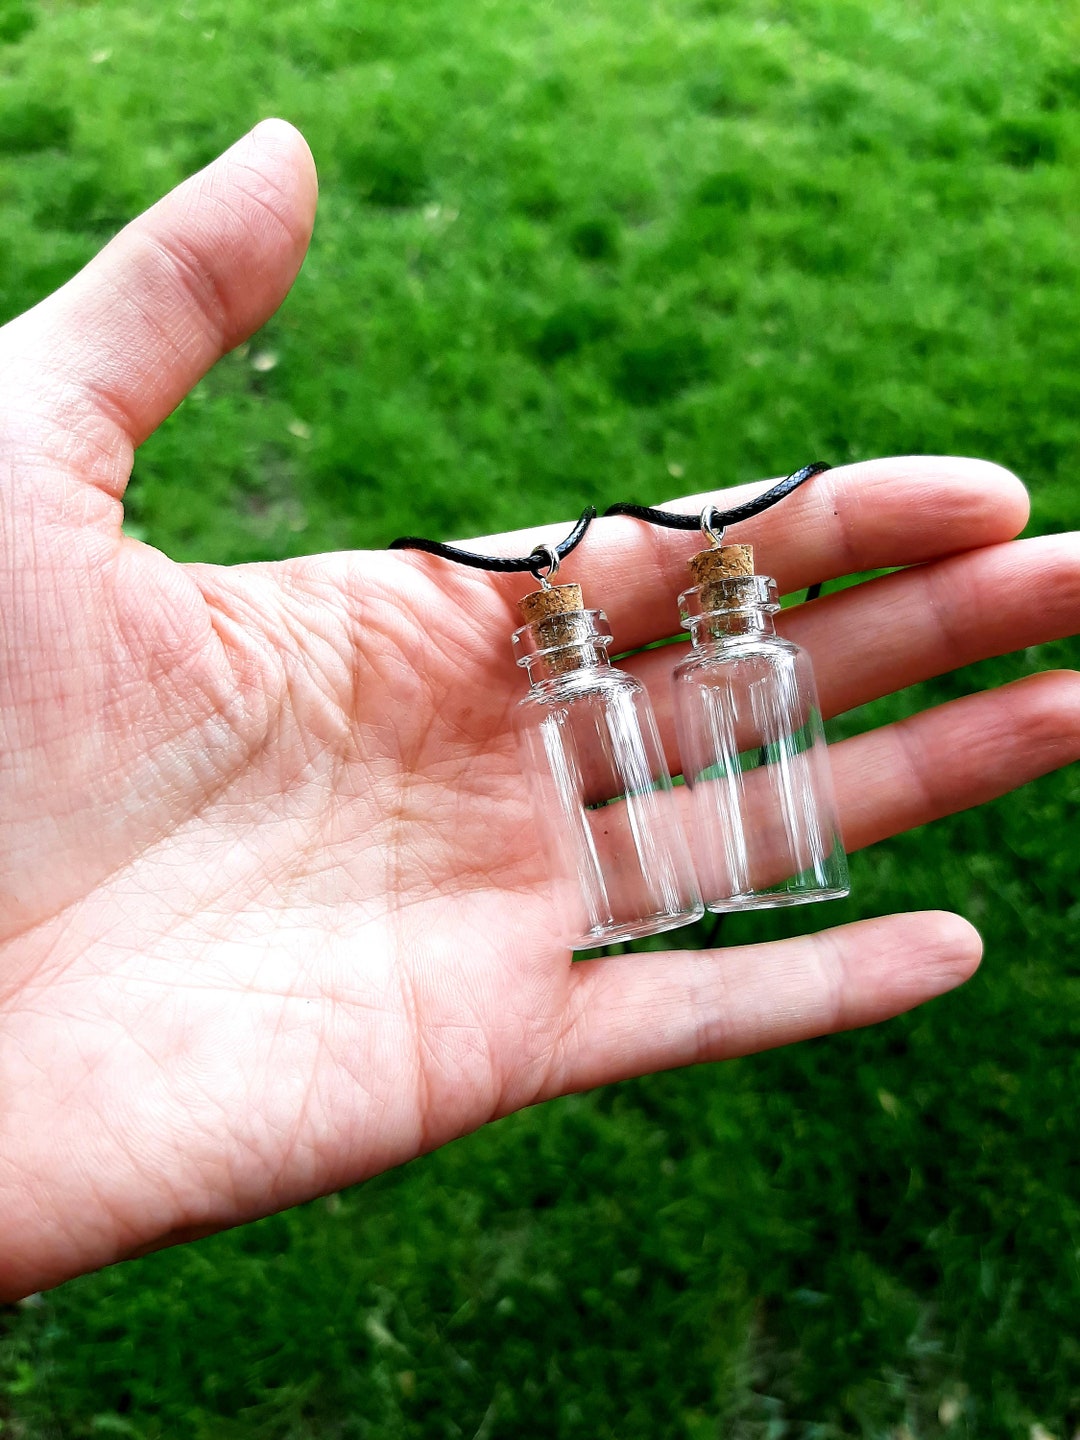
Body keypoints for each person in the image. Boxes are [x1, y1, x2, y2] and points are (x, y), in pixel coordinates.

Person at [0, 119, 1076, 1303]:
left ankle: (726, 882)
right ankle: (660, 898)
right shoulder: (582, 690)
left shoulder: (719, 664)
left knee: (743, 773)